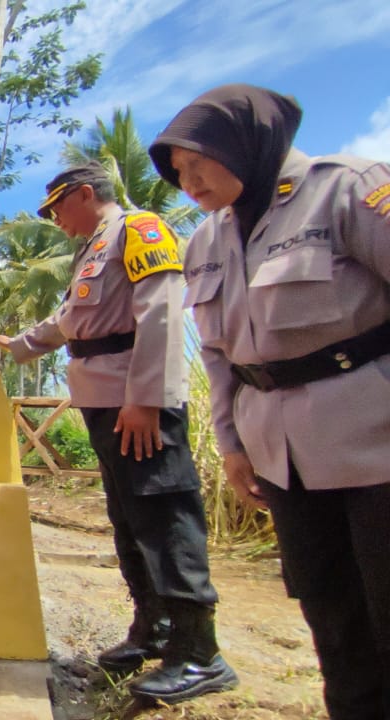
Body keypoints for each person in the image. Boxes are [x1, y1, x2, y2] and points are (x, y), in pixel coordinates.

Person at [149, 84, 390, 720]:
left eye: (197, 163)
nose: (188, 182)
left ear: (244, 145)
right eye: (178, 172)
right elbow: (218, 356)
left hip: (376, 444)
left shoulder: (347, 191)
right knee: (330, 617)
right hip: (286, 460)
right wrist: (231, 444)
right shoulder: (205, 241)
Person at [0, 164, 238, 705]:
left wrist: (146, 399)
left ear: (84, 194)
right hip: (105, 402)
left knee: (164, 514)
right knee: (129, 517)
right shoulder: (91, 249)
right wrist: (22, 344)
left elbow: (161, 313)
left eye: (57, 206)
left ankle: (199, 650)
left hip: (137, 403)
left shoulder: (140, 230)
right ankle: (155, 628)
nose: (54, 218)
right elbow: (72, 320)